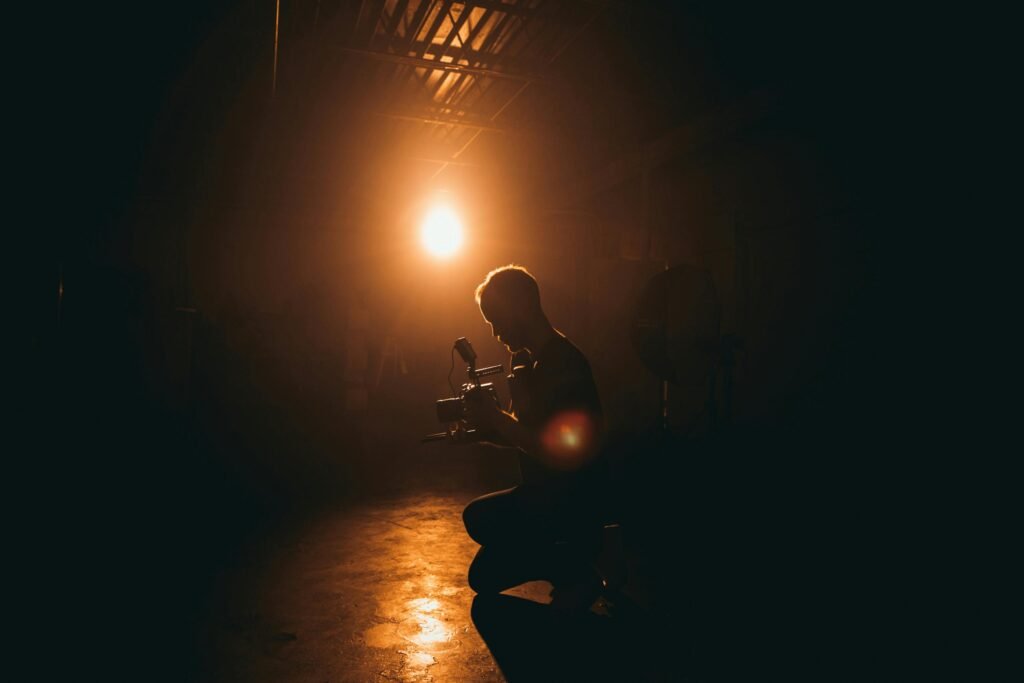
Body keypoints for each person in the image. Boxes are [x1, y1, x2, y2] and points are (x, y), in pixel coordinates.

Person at [462, 264, 613, 611]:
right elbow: (529, 436)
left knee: (478, 518)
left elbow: (560, 453)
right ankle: (566, 563)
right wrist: (484, 429)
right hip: (547, 494)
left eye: (497, 319)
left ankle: (579, 565)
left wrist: (498, 420)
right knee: (482, 577)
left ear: (522, 306)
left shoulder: (565, 364)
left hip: (572, 498)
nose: (496, 333)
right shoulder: (532, 364)